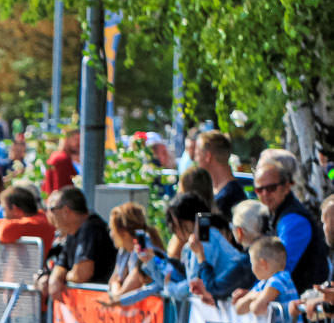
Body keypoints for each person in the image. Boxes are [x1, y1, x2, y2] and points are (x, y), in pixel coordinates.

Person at [141, 192, 250, 305]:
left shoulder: (204, 241)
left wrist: (170, 288)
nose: (175, 229)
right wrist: (151, 263)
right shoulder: (205, 238)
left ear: (188, 220)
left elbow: (193, 286)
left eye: (176, 223)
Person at [254, 156, 331, 293]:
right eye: (259, 190)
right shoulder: (276, 213)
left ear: (286, 187)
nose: (265, 194)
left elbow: (279, 267)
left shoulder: (293, 219)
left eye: (271, 188)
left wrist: (254, 294)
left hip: (308, 298)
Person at [40, 186, 115, 301]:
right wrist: (54, 278)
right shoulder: (72, 232)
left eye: (52, 209)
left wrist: (63, 279)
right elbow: (61, 266)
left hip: (102, 303)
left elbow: (81, 274)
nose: (49, 215)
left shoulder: (91, 228)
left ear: (66, 211)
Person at [0, 185, 57, 254]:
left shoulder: (36, 223)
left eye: (4, 209)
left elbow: (5, 231)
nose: (3, 215)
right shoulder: (37, 218)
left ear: (15, 209)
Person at [107, 202, 156, 297]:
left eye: (112, 229)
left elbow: (120, 295)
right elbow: (112, 281)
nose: (111, 234)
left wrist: (115, 285)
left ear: (124, 233)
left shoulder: (144, 252)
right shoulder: (123, 252)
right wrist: (115, 284)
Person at [196, 131, 248, 221]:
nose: (195, 159)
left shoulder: (231, 197)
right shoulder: (217, 192)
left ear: (208, 156)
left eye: (197, 154)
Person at [41, 129, 79, 195]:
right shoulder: (61, 159)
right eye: (76, 139)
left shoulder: (59, 156)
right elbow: (60, 189)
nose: (79, 143)